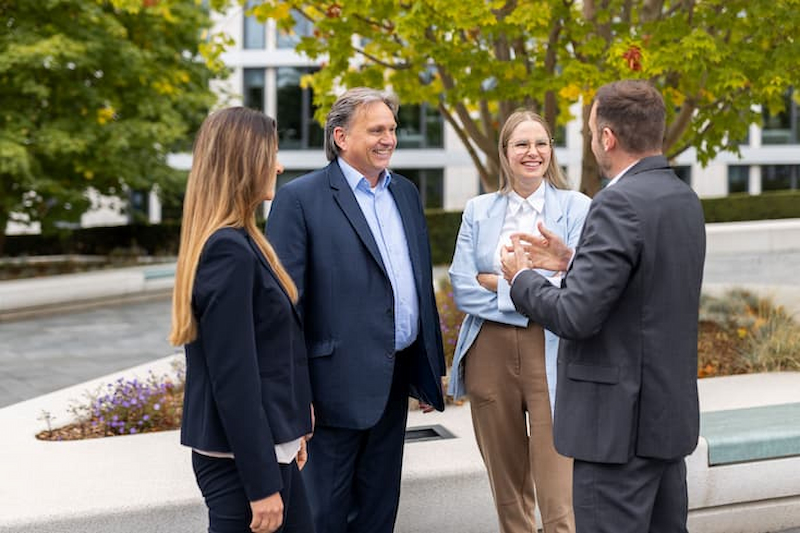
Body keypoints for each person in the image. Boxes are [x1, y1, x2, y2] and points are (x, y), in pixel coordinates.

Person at [501, 80, 706, 533]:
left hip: (616, 433)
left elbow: (576, 316)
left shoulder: (616, 203)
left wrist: (522, 280)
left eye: (592, 131)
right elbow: (646, 287)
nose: (592, 140)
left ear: (608, 138)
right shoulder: (683, 199)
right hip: (665, 422)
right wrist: (571, 261)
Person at [265, 87, 446, 533]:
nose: (389, 139)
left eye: (392, 129)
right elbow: (285, 305)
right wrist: (295, 393)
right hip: (329, 392)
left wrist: (428, 368)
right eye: (377, 130)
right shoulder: (300, 199)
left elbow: (418, 283)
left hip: (394, 378)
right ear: (341, 137)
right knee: (323, 515)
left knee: (379, 510)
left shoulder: (405, 192)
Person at [170, 107, 314, 533]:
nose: (279, 165)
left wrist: (292, 433)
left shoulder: (245, 242)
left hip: (269, 451)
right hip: (242, 467)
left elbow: (271, 352)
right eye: (271, 153)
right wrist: (261, 484)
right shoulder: (228, 250)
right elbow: (234, 379)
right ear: (244, 161)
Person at [448, 109, 589, 533]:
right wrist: (536, 287)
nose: (533, 152)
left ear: (551, 150)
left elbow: (580, 284)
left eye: (541, 143)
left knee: (559, 493)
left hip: (552, 350)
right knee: (508, 493)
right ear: (505, 153)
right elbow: (461, 286)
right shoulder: (478, 210)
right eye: (521, 144)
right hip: (489, 352)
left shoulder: (577, 207)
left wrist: (504, 281)